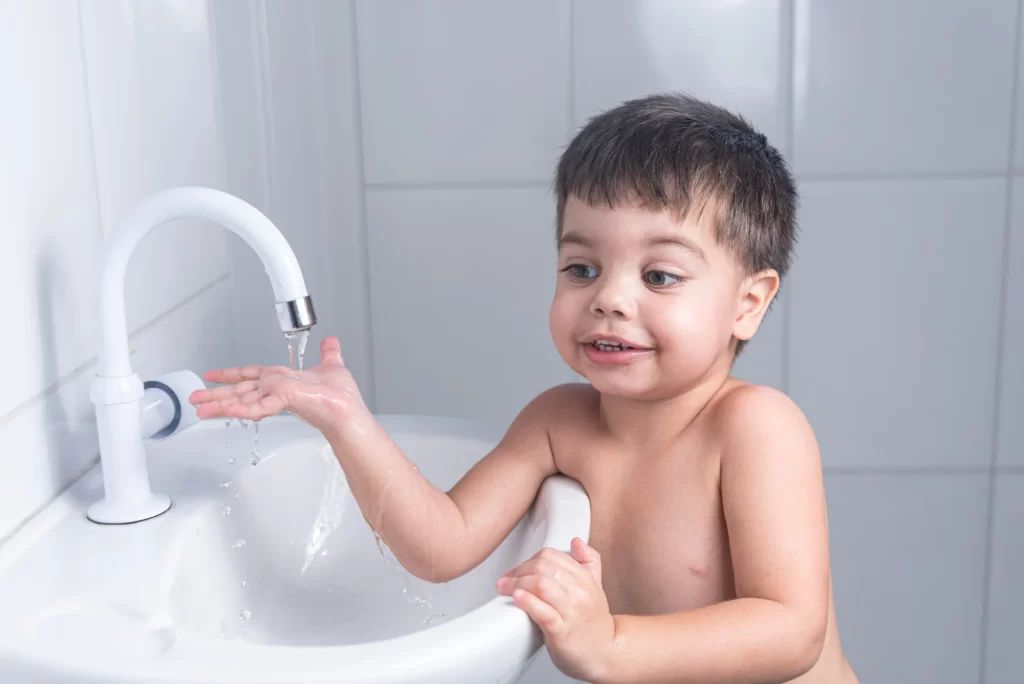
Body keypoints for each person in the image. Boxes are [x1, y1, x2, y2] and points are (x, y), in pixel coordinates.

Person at [190, 92, 858, 683]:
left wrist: (610, 645)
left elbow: (790, 629)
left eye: (659, 276)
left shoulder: (752, 428)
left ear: (749, 302)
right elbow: (441, 545)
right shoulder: (559, 422)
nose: (609, 298)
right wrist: (347, 422)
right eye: (581, 267)